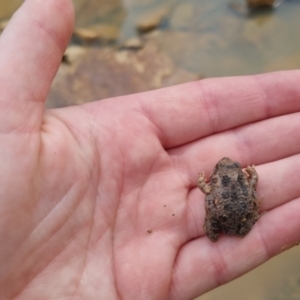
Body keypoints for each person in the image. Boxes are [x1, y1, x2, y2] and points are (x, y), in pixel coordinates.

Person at [1, 0, 300, 299]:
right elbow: (248, 184)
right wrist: (248, 179)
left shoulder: (212, 186)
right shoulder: (240, 181)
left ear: (220, 176)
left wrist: (201, 183)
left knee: (217, 212)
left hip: (225, 212)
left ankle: (218, 227)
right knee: (241, 211)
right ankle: (240, 222)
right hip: (241, 213)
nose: (226, 168)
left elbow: (206, 190)